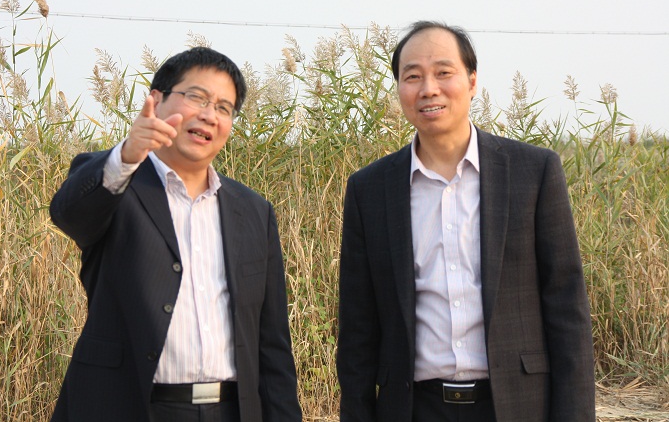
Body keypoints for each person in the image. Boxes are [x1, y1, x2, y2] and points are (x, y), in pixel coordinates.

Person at [336, 22, 595, 422]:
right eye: (412, 76)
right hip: (412, 408)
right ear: (399, 88)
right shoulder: (369, 189)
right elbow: (357, 328)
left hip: (516, 406)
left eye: (444, 72)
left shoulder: (533, 171)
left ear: (472, 81)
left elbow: (566, 308)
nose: (429, 89)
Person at [49, 47, 302, 422]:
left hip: (229, 410)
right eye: (197, 97)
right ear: (156, 100)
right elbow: (68, 214)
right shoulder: (118, 184)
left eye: (224, 107)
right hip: (130, 407)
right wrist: (128, 154)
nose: (209, 115)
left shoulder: (253, 211)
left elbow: (272, 343)